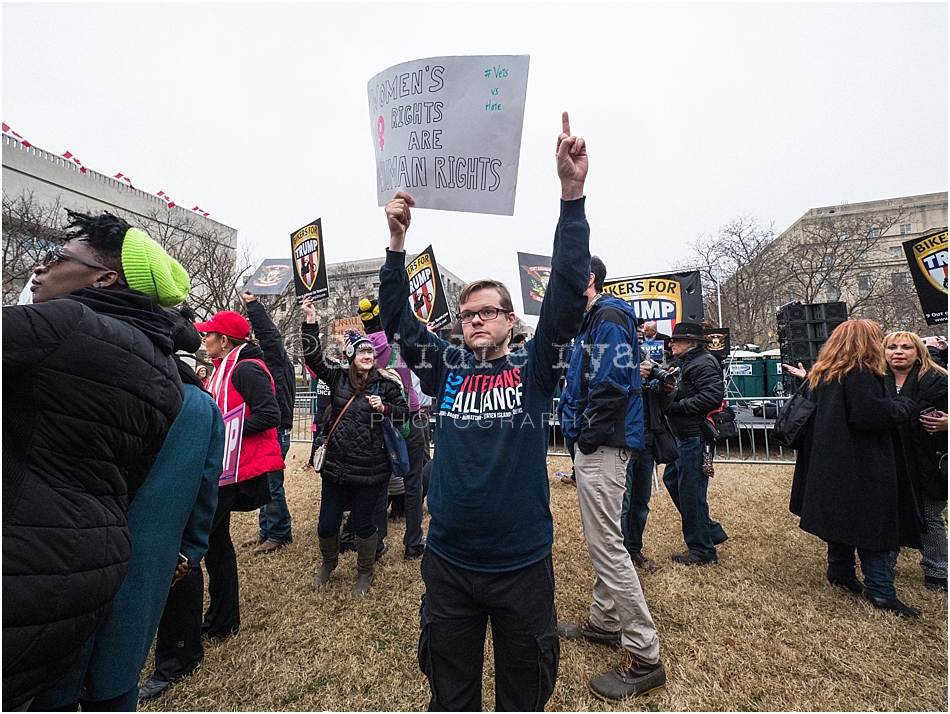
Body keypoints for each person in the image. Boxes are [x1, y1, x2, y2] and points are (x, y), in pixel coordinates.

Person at [378, 112, 590, 711]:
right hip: (449, 563)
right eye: (468, 312)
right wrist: (397, 244)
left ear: (509, 320)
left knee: (523, 694)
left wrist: (571, 198)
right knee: (451, 693)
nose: (476, 319)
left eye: (489, 311)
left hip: (522, 563)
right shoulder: (444, 366)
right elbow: (396, 321)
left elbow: (570, 292)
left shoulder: (535, 366)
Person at [3, 210, 189, 711]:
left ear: (106, 278)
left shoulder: (66, 324)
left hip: (21, 556)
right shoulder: (166, 370)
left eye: (55, 257)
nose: (38, 270)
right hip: (90, 560)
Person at [31, 309, 223, 712]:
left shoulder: (90, 380)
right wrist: (189, 550)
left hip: (67, 550)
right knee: (118, 672)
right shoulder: (201, 407)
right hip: (147, 557)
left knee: (57, 676)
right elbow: (205, 489)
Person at [557, 256, 667, 701]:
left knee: (607, 546)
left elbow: (612, 384)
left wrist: (587, 438)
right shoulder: (597, 318)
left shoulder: (607, 315)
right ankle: (605, 622)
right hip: (601, 442)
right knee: (604, 540)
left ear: (587, 279)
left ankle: (645, 654)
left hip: (603, 444)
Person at [789, 319, 921, 617]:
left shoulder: (824, 374)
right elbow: (869, 415)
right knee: (873, 526)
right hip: (862, 461)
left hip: (830, 459)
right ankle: (882, 591)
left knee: (841, 519)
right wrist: (903, 406)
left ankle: (840, 571)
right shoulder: (860, 373)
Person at [302, 312, 409, 597]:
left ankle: (365, 571)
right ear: (351, 355)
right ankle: (328, 563)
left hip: (371, 468)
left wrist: (384, 408)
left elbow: (404, 416)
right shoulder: (338, 378)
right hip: (336, 465)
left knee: (363, 523)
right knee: (327, 522)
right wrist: (310, 322)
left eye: (370, 351)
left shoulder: (386, 384)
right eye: (361, 350)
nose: (367, 355)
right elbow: (312, 358)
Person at [360, 296, 428, 560]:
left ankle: (377, 544)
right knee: (412, 484)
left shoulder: (359, 349)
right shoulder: (400, 344)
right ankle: (413, 543)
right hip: (409, 419)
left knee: (379, 484)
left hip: (377, 420)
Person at [882, 331, 949, 592]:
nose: (898, 352)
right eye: (892, 347)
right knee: (888, 516)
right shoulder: (874, 380)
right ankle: (885, 563)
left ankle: (936, 571)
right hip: (888, 461)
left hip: (929, 462)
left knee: (931, 519)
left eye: (906, 347)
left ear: (918, 351)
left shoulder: (939, 379)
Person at [663, 321, 729, 565]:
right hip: (683, 436)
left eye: (675, 340)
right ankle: (709, 531)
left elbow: (712, 397)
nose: (671, 344)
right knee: (672, 480)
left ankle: (702, 550)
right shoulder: (686, 362)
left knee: (692, 492)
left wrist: (676, 407)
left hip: (696, 437)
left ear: (689, 342)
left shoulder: (703, 363)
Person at [239, 291, 296, 556]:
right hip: (272, 428)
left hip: (277, 428)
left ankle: (279, 533)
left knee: (273, 484)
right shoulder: (269, 361)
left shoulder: (273, 357)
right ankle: (266, 530)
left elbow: (270, 335)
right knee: (265, 482)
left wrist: (252, 305)